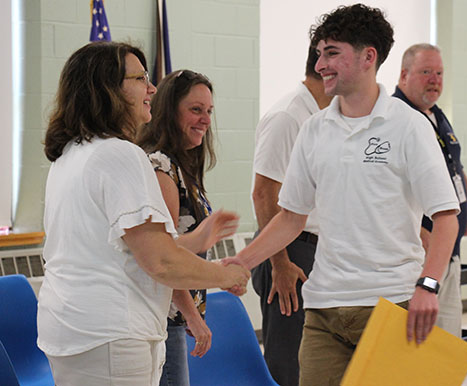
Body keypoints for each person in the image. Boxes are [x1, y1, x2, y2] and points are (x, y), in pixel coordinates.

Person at [225, 4, 460, 385]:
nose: (320, 65)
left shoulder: (409, 127)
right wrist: (241, 261)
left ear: (369, 57)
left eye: (332, 53)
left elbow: (446, 217)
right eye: (319, 54)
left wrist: (428, 285)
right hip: (324, 310)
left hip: (392, 304)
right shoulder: (314, 130)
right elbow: (290, 217)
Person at [39, 41, 249, 386]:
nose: (152, 88)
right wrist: (226, 276)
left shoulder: (70, 156)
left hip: (73, 329)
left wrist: (199, 241)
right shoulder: (120, 155)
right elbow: (161, 261)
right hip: (112, 334)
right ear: (108, 90)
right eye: (140, 78)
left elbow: (130, 247)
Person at [136, 69, 238, 386]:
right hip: (162, 317)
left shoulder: (181, 166)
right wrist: (192, 313)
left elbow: (180, 246)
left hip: (172, 319)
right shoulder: (160, 167)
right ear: (169, 110)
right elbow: (164, 256)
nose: (205, 120)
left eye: (209, 111)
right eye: (195, 110)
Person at [251, 45, 332, 386]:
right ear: (324, 67)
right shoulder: (288, 116)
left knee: (316, 363)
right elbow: (264, 193)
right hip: (289, 252)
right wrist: (280, 264)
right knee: (288, 366)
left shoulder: (326, 116)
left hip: (317, 250)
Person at [393, 43, 467, 337]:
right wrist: (421, 232)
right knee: (421, 339)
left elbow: (454, 165)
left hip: (450, 246)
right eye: (426, 72)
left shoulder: (435, 114)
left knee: (448, 336)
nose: (435, 80)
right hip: (420, 253)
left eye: (439, 73)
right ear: (404, 75)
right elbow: (388, 186)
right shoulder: (395, 119)